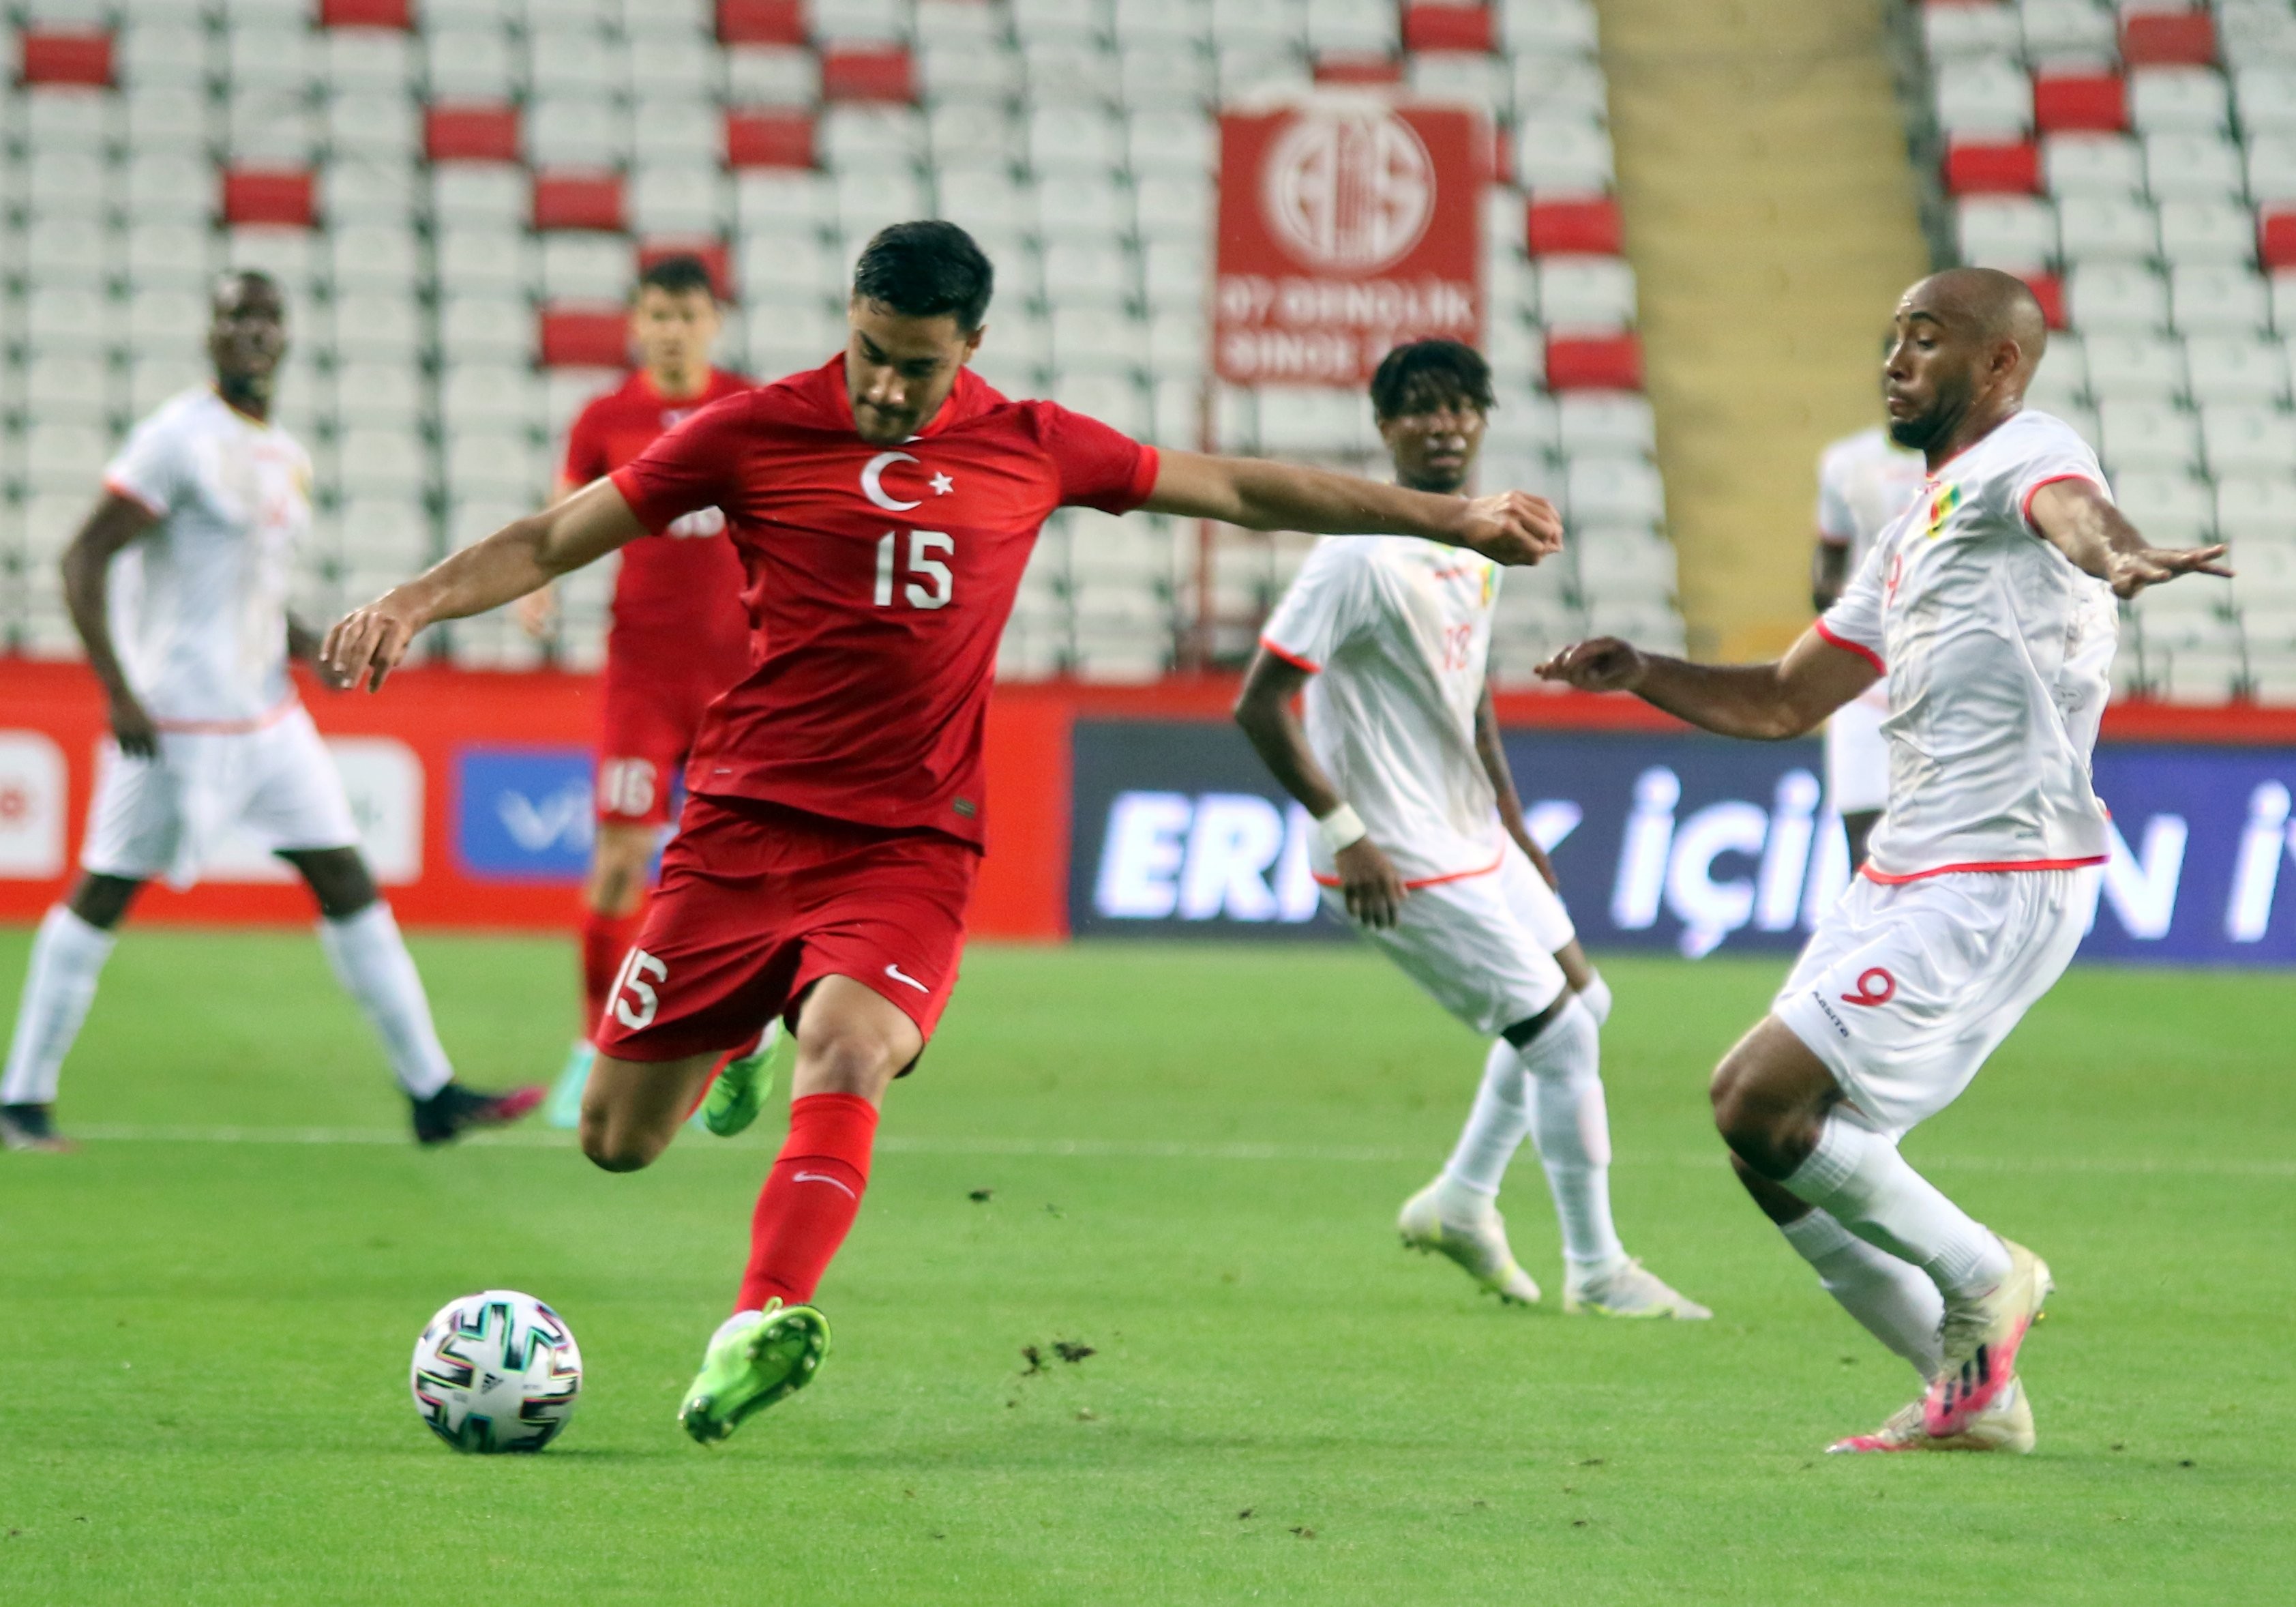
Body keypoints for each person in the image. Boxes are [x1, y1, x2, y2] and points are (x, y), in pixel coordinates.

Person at [322, 222, 1564, 1445]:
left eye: (916, 365)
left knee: (850, 1049)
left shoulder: (1032, 443)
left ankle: (758, 1319)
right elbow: (553, 536)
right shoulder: (752, 430)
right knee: (617, 1141)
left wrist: (1447, 518)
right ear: (849, 320)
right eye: (871, 353)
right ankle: (747, 1028)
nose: (884, 386)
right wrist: (412, 601)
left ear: (971, 345)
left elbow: (1238, 489)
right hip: (742, 830)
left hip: (908, 842)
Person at [1538, 268, 2229, 1453]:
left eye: (1925, 338)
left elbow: (2072, 510)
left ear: (1998, 363)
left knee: (1757, 1099)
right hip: (1904, 871)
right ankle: (1972, 1395)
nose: (1894, 361)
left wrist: (2115, 555)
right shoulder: (1915, 526)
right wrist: (1643, 670)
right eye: (1891, 339)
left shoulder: (2027, 453)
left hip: (1997, 871)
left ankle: (1984, 1274)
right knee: (1767, 1150)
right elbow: (1783, 699)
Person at [0, 271, 541, 1154]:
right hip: (177, 720)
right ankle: (20, 1098)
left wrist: (305, 644)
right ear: (211, 335)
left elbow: (244, 588)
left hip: (268, 718)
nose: (252, 332)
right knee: (104, 890)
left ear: (285, 336)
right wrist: (117, 689)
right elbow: (81, 558)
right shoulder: (176, 439)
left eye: (266, 318)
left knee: (346, 878)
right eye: (235, 318)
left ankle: (430, 1091)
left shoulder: (284, 450)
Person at [1234, 340, 1707, 1321]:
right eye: (1419, 408)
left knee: (1585, 1003)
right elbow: (1258, 703)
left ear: (1482, 420)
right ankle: (1596, 1270)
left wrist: (1512, 820)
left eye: (1459, 407)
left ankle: (1459, 1201)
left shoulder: (1476, 538)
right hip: (1393, 853)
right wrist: (1345, 829)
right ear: (1385, 428)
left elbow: (1468, 689)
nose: (1442, 425)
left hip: (1471, 835)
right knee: (1560, 1039)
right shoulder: (1355, 556)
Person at [513, 254, 771, 1127]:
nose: (671, 331)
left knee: (735, 872)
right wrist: (539, 585)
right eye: (657, 315)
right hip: (645, 679)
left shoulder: (747, 409)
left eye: (687, 316)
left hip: (741, 678)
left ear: (713, 322)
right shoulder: (605, 418)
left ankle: (725, 1048)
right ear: (635, 323)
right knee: (620, 860)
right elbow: (560, 517)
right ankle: (591, 1047)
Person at [1811, 412, 1925, 870]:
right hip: (1864, 682)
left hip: (1941, 680)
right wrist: (1844, 606)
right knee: (1863, 847)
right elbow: (1827, 566)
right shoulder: (1847, 463)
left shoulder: (1975, 466)